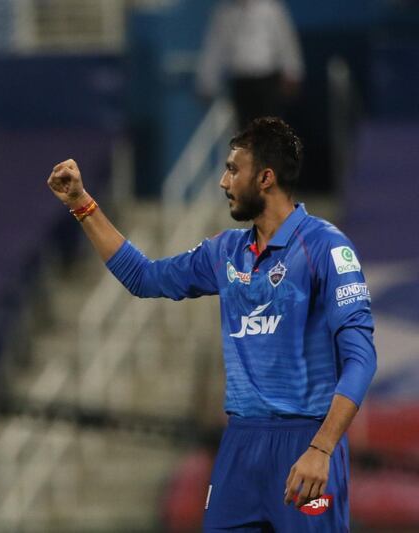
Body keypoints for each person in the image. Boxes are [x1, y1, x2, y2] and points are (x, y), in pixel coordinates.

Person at [47, 117, 376, 531]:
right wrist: (82, 204)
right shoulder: (226, 252)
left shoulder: (327, 248)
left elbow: (361, 358)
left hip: (305, 440)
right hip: (240, 444)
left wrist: (322, 449)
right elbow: (145, 278)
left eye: (234, 169)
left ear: (266, 178)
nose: (223, 181)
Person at [196, 0, 304, 128]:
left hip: (267, 81)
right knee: (245, 131)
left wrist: (292, 72)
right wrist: (207, 82)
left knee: (270, 130)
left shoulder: (271, 8)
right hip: (241, 83)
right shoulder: (224, 13)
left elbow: (285, 41)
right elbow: (215, 47)